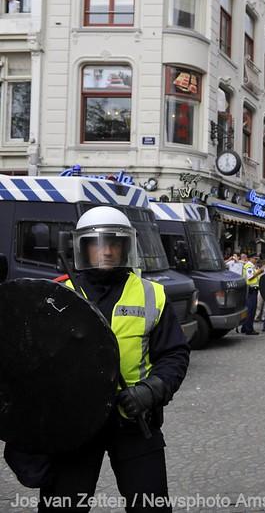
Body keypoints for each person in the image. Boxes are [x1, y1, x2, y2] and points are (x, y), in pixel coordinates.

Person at [40, 206, 190, 510]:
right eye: (97, 244)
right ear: (83, 247)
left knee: (150, 506)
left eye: (114, 243)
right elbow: (36, 361)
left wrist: (150, 392)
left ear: (126, 247)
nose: (106, 251)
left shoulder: (152, 294)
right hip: (75, 426)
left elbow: (174, 355)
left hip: (135, 420)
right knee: (62, 505)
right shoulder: (57, 295)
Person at [240, 253, 264, 335]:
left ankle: (244, 327)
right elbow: (250, 277)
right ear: (250, 258)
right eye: (255, 258)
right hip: (251, 290)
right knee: (251, 310)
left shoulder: (250, 266)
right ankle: (249, 329)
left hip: (251, 290)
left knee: (249, 310)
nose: (256, 260)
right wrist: (259, 271)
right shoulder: (249, 266)